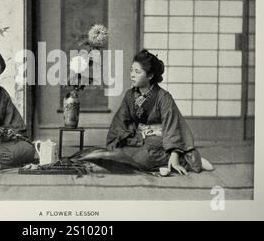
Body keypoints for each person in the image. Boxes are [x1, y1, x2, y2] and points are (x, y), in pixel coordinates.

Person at [73, 49, 213, 175]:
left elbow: (172, 127)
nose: (132, 75)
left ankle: (184, 159)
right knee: (120, 154)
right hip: (140, 138)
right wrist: (114, 143)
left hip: (160, 139)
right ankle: (157, 161)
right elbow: (121, 121)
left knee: (142, 159)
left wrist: (175, 155)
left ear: (150, 75)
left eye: (137, 72)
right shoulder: (130, 95)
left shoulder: (163, 98)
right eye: (131, 70)